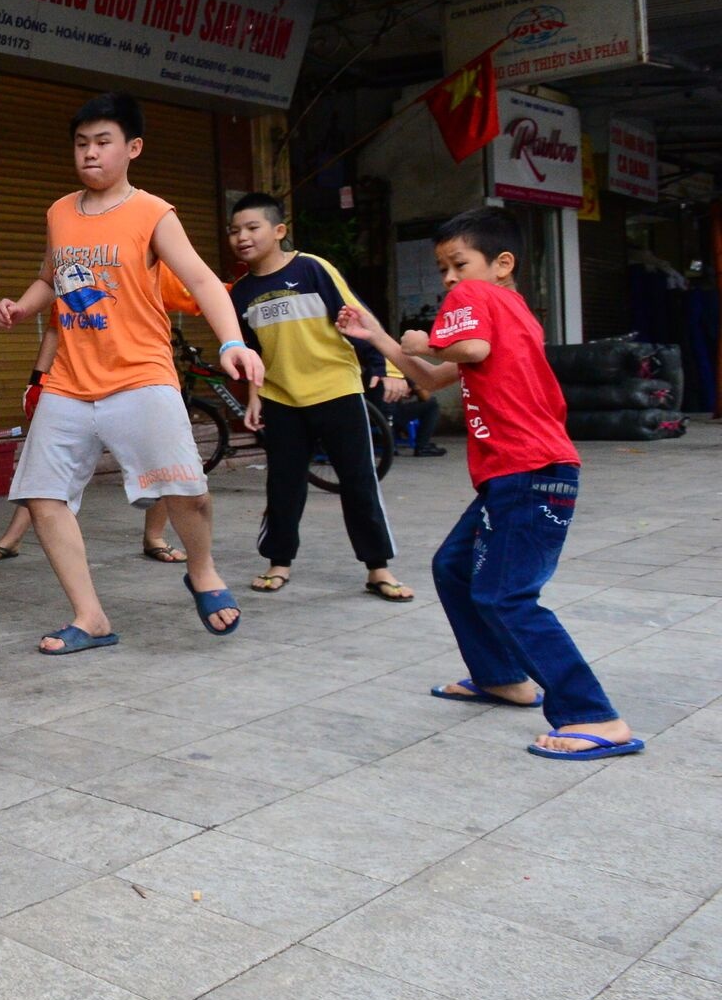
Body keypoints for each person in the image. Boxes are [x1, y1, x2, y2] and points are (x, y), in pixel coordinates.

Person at [337, 207, 640, 761]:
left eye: (459, 264)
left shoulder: (476, 301)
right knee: (453, 567)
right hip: (524, 475)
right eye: (443, 268)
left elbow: (463, 351)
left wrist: (424, 339)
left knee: (506, 595)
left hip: (528, 474)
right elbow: (433, 378)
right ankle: (501, 677)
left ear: (502, 264)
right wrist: (380, 337)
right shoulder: (514, 310)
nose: (449, 278)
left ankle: (594, 715)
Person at [0, 92, 265, 654]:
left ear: (132, 148)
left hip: (141, 373)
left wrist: (233, 340)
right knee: (44, 497)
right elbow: (51, 277)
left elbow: (206, 281)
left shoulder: (152, 212)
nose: (89, 153)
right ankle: (90, 617)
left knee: (188, 491)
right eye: (81, 143)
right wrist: (21, 306)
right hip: (69, 379)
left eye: (103, 142)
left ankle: (204, 570)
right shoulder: (59, 211)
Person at [225, 193, 415, 601]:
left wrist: (390, 368)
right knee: (284, 485)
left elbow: (357, 317)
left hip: (336, 390)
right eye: (234, 230)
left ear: (279, 231)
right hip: (281, 399)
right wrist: (255, 396)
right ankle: (279, 562)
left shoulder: (312, 269)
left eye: (252, 228)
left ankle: (378, 569)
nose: (242, 236)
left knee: (359, 482)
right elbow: (253, 351)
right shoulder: (239, 293)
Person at [0, 266, 198, 567]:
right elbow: (56, 326)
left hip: (139, 383)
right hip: (76, 386)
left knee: (158, 465)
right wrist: (38, 378)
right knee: (45, 471)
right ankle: (12, 538)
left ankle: (154, 537)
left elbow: (204, 290)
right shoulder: (75, 265)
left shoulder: (152, 266)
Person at [392, 392, 446, 456]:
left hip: (384, 412)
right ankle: (422, 445)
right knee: (432, 405)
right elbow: (424, 396)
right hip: (389, 413)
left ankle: (406, 434)